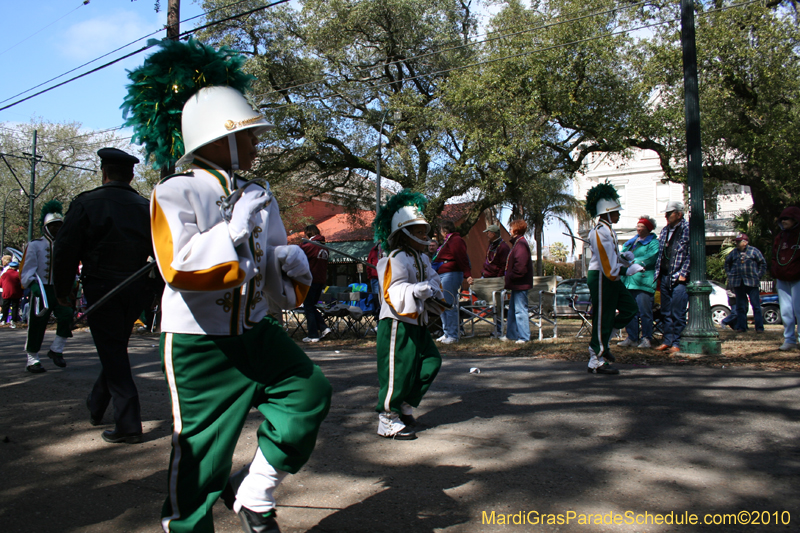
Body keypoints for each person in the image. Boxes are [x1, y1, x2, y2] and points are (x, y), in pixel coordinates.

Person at [126, 38, 331, 533]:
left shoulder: (260, 195)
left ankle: (255, 495)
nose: (258, 144)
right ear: (220, 137)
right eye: (250, 134)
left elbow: (274, 284)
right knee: (200, 455)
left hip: (256, 331)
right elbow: (180, 268)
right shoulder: (174, 190)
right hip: (200, 343)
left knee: (308, 393)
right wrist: (234, 229)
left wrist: (291, 270)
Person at [53, 147, 156, 444]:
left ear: (104, 172)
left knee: (112, 349)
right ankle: (96, 403)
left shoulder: (87, 203)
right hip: (136, 288)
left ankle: (128, 422)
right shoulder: (145, 206)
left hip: (102, 286)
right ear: (131, 175)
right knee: (114, 347)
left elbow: (65, 250)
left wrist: (63, 293)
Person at [372, 190, 444, 440]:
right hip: (397, 323)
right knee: (398, 370)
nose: (425, 236)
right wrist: (415, 290)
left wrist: (434, 292)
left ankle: (404, 404)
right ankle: (387, 418)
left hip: (419, 322)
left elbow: (433, 281)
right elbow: (391, 292)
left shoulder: (424, 258)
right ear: (404, 233)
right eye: (419, 231)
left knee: (431, 362)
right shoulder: (394, 258)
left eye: (425, 231)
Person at [584, 183, 638, 374]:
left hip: (610, 276)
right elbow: (606, 264)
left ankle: (604, 343)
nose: (619, 214)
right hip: (602, 277)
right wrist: (627, 270)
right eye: (615, 211)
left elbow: (613, 257)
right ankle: (595, 358)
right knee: (602, 317)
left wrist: (625, 259)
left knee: (630, 308)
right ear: (606, 213)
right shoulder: (599, 231)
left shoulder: (608, 231)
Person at [19, 201, 74, 373]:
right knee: (37, 324)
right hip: (40, 290)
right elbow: (27, 270)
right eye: (53, 226)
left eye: (59, 225)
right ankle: (32, 358)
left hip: (59, 289)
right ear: (46, 228)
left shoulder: (64, 245)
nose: (57, 229)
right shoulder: (35, 245)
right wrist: (32, 285)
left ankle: (56, 350)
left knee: (67, 315)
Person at [653, 200, 691, 354]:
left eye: (669, 213)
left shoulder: (687, 229)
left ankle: (678, 342)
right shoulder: (664, 230)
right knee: (666, 312)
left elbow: (691, 253)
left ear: (679, 214)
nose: (666, 216)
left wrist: (684, 273)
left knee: (678, 312)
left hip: (679, 277)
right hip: (665, 275)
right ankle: (667, 340)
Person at [617, 216, 659, 348]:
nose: (638, 228)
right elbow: (622, 254)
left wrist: (634, 261)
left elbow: (652, 257)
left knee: (645, 312)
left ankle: (646, 338)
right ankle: (632, 337)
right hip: (628, 282)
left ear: (648, 228)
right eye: (638, 226)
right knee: (630, 311)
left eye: (641, 226)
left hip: (643, 282)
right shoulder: (631, 242)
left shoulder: (654, 243)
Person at [432, 220, 473, 344]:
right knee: (442, 304)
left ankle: (453, 334)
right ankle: (447, 332)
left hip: (451, 274)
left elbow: (461, 257)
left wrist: (467, 274)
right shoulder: (447, 242)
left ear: (445, 230)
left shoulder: (456, 240)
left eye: (440, 231)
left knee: (449, 303)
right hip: (442, 274)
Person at [724, 233, 767, 333]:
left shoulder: (754, 251)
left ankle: (759, 328)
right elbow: (727, 264)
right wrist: (730, 275)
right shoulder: (733, 253)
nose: (737, 243)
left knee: (756, 306)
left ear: (745, 242)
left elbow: (763, 263)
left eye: (739, 241)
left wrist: (758, 275)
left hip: (752, 282)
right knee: (740, 306)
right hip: (738, 282)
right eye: (736, 241)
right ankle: (742, 327)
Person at [771, 206, 800, 351]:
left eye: (787, 218)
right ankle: (789, 339)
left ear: (795, 219)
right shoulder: (780, 236)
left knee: (799, 309)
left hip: (797, 278)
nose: (784, 221)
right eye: (782, 219)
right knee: (786, 311)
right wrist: (775, 270)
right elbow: (774, 254)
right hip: (782, 278)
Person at [501, 220, 532, 344]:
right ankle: (511, 335)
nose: (509, 230)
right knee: (513, 311)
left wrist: (511, 276)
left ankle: (524, 337)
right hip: (516, 284)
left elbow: (521, 266)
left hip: (520, 284)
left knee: (520, 310)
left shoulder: (521, 245)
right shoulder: (518, 244)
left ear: (516, 230)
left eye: (511, 228)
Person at [299, 224, 331, 343]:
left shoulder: (310, 246)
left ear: (308, 233)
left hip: (310, 280)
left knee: (308, 306)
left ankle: (313, 335)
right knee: (312, 306)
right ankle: (323, 327)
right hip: (320, 280)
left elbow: (298, 252)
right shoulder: (325, 247)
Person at [481, 224, 510, 338]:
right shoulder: (491, 245)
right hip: (486, 278)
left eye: (488, 233)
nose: (487, 235)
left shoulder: (503, 247)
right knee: (491, 305)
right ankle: (497, 327)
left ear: (493, 233)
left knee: (498, 305)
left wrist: (498, 279)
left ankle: (499, 329)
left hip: (496, 280)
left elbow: (504, 265)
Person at [0, 260, 22, 327]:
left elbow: (0, 284)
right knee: (15, 306)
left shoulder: (5, 274)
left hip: (6, 293)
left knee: (5, 306)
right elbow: (21, 284)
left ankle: (3, 320)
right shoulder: (18, 275)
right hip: (16, 293)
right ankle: (13, 321)